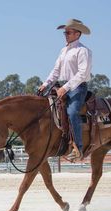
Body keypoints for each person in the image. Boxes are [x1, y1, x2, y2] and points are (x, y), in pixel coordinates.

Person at [39, 19, 92, 159]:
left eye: (68, 32)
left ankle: (78, 147)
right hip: (61, 87)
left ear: (77, 34)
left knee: (73, 112)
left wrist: (65, 87)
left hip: (77, 88)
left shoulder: (83, 51)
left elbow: (82, 74)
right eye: (65, 32)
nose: (66, 35)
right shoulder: (63, 51)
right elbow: (56, 71)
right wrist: (45, 84)